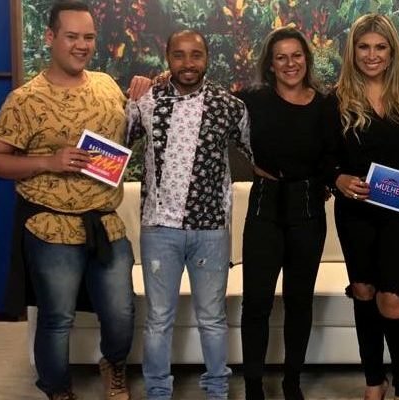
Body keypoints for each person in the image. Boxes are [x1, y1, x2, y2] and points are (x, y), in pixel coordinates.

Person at [0, 1, 134, 399]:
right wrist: (49, 161)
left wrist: (146, 91)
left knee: (121, 313)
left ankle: (113, 364)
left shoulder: (106, 84)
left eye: (89, 37)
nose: (82, 45)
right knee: (57, 318)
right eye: (72, 36)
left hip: (104, 220)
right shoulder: (25, 99)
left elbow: (127, 130)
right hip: (50, 226)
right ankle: (57, 388)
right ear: (50, 37)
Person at [125, 29, 252, 400]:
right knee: (158, 319)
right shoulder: (146, 101)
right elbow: (115, 145)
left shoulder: (229, 107)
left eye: (196, 54)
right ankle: (157, 392)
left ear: (207, 57)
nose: (188, 63)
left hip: (211, 230)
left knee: (212, 319)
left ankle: (217, 391)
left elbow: (260, 155)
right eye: (179, 55)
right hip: (158, 228)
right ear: (167, 57)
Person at [235, 27, 333, 400]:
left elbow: (332, 158)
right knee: (256, 303)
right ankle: (254, 387)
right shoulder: (253, 99)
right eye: (281, 57)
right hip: (264, 206)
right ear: (271, 65)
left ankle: (292, 383)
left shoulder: (326, 105)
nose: (290, 63)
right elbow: (208, 110)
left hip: (307, 209)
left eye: (296, 55)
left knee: (299, 302)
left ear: (306, 59)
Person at [331, 13, 399, 400]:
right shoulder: (335, 99)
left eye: (380, 47)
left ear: (392, 52)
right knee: (364, 291)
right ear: (352, 51)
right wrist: (336, 179)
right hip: (355, 211)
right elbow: (321, 156)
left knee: (393, 299)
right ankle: (374, 383)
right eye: (364, 47)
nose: (372, 55)